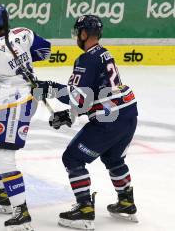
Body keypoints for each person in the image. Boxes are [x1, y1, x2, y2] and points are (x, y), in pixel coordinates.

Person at [34, 15, 138, 230]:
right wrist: (69, 115)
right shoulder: (103, 53)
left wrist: (50, 88)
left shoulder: (86, 59)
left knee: (72, 158)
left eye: (78, 31)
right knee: (113, 158)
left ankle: (84, 210)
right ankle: (127, 202)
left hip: (110, 120)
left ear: (83, 33)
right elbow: (94, 97)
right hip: (128, 113)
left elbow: (80, 98)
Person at [0, 4, 51, 231]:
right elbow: (46, 51)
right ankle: (4, 194)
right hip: (20, 100)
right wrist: (21, 65)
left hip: (15, 105)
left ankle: (21, 213)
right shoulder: (24, 33)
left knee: (3, 157)